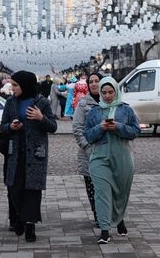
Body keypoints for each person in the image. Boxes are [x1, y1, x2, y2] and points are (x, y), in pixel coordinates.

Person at [0, 71, 57, 242]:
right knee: (14, 188)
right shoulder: (11, 102)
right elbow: (2, 127)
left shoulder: (42, 102)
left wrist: (41, 118)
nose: (13, 88)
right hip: (15, 151)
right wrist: (11, 126)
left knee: (32, 190)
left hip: (35, 152)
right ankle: (21, 217)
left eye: (15, 85)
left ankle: (30, 224)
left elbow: (53, 127)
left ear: (25, 85)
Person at [83, 76, 140, 244]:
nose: (107, 96)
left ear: (116, 91)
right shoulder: (94, 111)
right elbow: (87, 135)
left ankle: (119, 218)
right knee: (102, 193)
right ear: (100, 93)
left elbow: (135, 132)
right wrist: (100, 127)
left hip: (122, 156)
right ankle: (105, 230)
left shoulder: (126, 110)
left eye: (110, 92)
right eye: (104, 92)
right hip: (99, 156)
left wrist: (118, 127)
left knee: (120, 192)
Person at [72, 72, 103, 227]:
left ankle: (108, 213)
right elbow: (77, 129)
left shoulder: (110, 100)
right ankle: (98, 215)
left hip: (107, 153)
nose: (94, 84)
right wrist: (87, 147)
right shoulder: (83, 103)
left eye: (97, 81)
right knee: (92, 187)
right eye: (91, 81)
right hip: (89, 154)